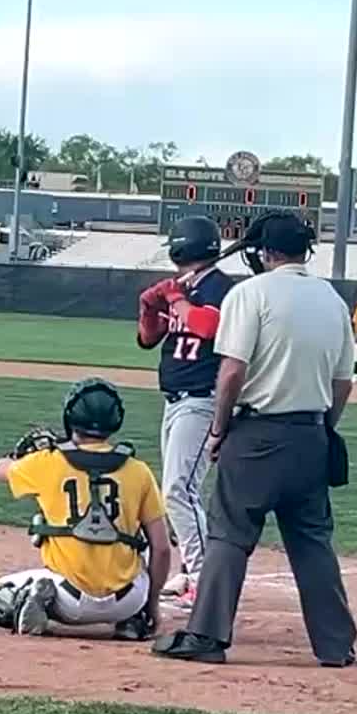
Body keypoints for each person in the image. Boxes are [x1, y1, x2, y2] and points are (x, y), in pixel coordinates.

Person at [153, 212, 357, 668]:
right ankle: (336, 645)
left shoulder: (250, 293)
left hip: (257, 432)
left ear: (266, 252)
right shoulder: (331, 299)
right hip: (311, 435)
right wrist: (325, 426)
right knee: (312, 542)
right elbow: (343, 381)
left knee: (229, 534)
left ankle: (207, 635)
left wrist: (218, 428)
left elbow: (231, 371)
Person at [0, 378, 173, 640]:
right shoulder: (139, 470)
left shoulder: (48, 462)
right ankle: (133, 619)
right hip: (129, 598)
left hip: (67, 600)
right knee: (142, 549)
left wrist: (20, 455)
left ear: (70, 416)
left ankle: (33, 597)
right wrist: (150, 603)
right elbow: (162, 549)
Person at [136, 215, 238, 609]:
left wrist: (176, 298)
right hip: (175, 398)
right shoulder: (183, 287)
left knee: (179, 489)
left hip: (202, 398)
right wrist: (150, 306)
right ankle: (190, 571)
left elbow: (207, 326)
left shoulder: (218, 287)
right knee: (175, 489)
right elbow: (149, 339)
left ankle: (201, 577)